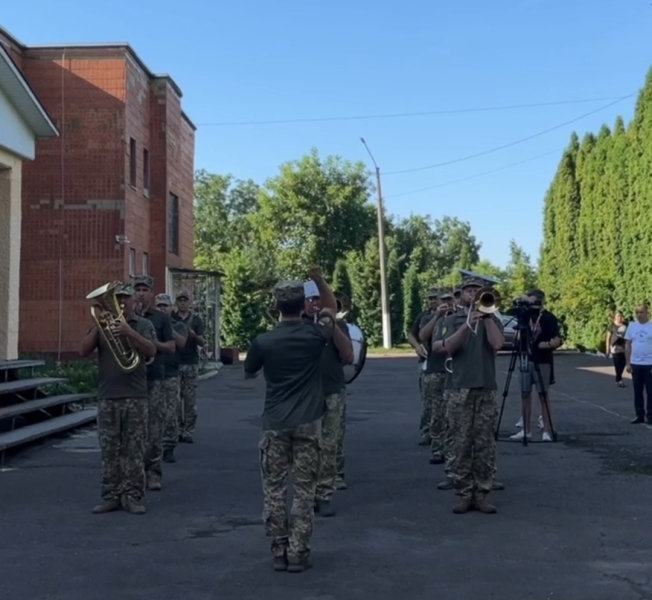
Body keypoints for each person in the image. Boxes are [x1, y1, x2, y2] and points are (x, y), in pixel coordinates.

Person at [244, 276, 336, 573]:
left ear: (276, 306)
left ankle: (279, 552)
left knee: (274, 490)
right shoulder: (315, 335)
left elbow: (249, 370)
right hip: (309, 422)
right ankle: (299, 552)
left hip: (275, 423)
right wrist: (320, 283)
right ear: (302, 304)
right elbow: (331, 309)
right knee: (305, 490)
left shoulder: (264, 341)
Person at [79, 282, 157, 515]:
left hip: (135, 397)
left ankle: (133, 496)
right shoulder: (102, 326)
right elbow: (83, 351)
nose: (122, 303)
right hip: (108, 397)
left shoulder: (143, 324)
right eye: (118, 298)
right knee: (110, 450)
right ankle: (111, 495)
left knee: (134, 449)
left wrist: (129, 332)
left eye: (126, 298)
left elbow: (151, 351)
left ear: (135, 302)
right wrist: (97, 327)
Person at [432, 277, 504, 514]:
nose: (473, 294)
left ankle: (482, 493)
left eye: (477, 290)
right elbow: (443, 348)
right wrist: (466, 326)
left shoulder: (492, 319)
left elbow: (497, 344)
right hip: (458, 388)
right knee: (461, 443)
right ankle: (464, 493)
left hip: (485, 387)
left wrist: (487, 317)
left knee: (484, 444)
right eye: (469, 290)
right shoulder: (451, 320)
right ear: (461, 295)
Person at [303, 280, 354, 516]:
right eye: (310, 299)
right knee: (306, 445)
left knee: (329, 444)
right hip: (305, 394)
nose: (315, 303)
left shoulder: (339, 325)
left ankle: (324, 494)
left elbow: (349, 356)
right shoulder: (298, 326)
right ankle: (307, 492)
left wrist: (331, 324)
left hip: (332, 391)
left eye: (318, 299)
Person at [133, 276, 175, 491]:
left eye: (145, 289)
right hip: (130, 378)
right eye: (138, 289)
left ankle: (153, 473)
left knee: (154, 427)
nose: (141, 293)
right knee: (133, 429)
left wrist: (150, 343)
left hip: (154, 376)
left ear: (151, 293)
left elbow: (171, 346)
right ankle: (134, 472)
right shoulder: (126, 317)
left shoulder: (161, 318)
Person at [509, 289, 562, 442]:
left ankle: (547, 430)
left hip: (543, 361)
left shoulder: (548, 318)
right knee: (525, 395)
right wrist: (522, 300)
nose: (531, 307)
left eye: (533, 303)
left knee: (543, 396)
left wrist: (548, 345)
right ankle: (526, 431)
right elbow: (511, 309)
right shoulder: (525, 318)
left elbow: (557, 338)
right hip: (526, 359)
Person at [418, 289, 453, 465]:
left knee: (453, 413)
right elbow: (422, 335)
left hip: (454, 370)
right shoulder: (429, 318)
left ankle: (453, 448)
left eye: (451, 299)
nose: (448, 302)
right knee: (436, 413)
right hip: (435, 369)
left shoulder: (461, 316)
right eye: (444, 300)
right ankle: (438, 449)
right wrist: (437, 317)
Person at [155, 293, 188, 464]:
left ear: (171, 308)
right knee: (154, 412)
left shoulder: (178, 325)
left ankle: (169, 446)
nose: (162, 309)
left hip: (170, 373)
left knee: (170, 412)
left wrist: (168, 327)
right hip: (154, 374)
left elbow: (182, 343)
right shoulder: (151, 323)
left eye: (165, 306)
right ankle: (155, 446)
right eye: (159, 306)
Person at [407, 287, 440, 446]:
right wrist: (417, 346)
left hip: (442, 362)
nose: (433, 300)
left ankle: (440, 433)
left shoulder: (449, 314)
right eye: (430, 298)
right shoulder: (423, 316)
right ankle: (427, 432)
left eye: (436, 298)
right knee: (427, 401)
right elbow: (411, 334)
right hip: (425, 361)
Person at [173, 290, 206, 443]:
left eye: (185, 300)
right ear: (176, 302)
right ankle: (178, 428)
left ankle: (189, 430)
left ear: (189, 302)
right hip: (175, 361)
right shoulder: (171, 318)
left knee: (189, 400)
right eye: (180, 300)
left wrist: (193, 335)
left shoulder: (196, 320)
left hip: (190, 362)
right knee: (175, 399)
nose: (183, 303)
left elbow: (202, 342)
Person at [624, 303, 652, 424]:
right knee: (637, 391)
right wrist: (628, 363)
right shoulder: (632, 326)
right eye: (637, 312)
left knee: (650, 391)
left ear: (647, 312)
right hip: (636, 363)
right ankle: (639, 414)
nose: (639, 315)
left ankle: (650, 416)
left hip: (649, 363)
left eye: (641, 312)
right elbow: (628, 345)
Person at [606, 311, 627, 388]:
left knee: (623, 363)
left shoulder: (625, 325)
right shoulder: (612, 326)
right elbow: (608, 338)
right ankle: (619, 380)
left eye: (620, 316)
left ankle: (618, 378)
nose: (619, 318)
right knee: (617, 364)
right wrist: (607, 349)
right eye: (617, 316)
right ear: (615, 317)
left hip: (624, 347)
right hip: (614, 347)